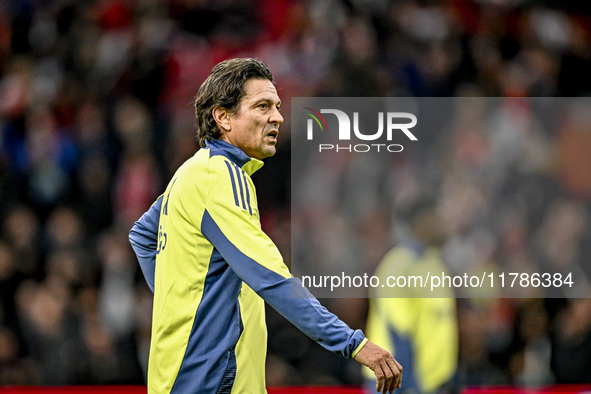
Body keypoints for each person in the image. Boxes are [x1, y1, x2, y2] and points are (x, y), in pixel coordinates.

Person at [129, 58, 402, 394]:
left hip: (190, 375)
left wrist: (183, 304)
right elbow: (272, 278)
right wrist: (354, 343)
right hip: (208, 381)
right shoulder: (220, 177)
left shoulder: (194, 171)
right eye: (262, 106)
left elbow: (142, 234)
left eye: (277, 106)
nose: (277, 117)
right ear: (223, 117)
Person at [363, 198, 458, 394]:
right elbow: (397, 329)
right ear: (422, 222)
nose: (446, 222)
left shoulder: (434, 263)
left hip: (429, 383)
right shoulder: (399, 266)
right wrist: (407, 384)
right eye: (439, 216)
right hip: (394, 383)